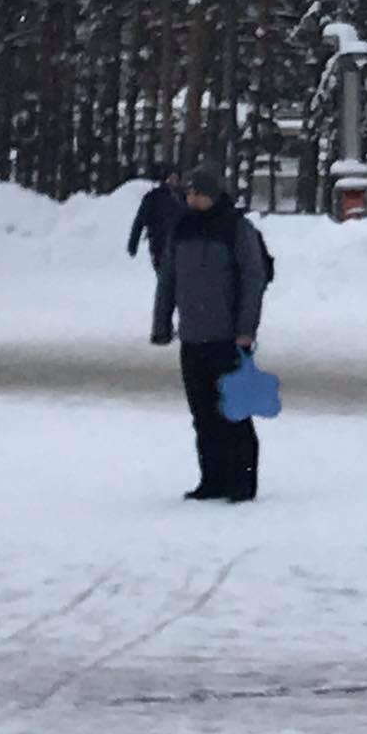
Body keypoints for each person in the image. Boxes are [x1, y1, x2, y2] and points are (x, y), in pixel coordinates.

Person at [152, 164, 269, 502]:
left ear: (213, 195)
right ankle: (212, 479)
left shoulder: (236, 229)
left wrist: (245, 330)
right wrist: (162, 324)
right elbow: (167, 280)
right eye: (189, 193)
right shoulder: (182, 229)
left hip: (227, 337)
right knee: (202, 414)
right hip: (192, 337)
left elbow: (252, 279)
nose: (192, 198)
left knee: (233, 412)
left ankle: (242, 483)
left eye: (198, 193)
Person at [127, 162, 186, 273]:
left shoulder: (183, 197)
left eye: (176, 178)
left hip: (180, 244)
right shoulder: (153, 197)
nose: (174, 181)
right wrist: (133, 243)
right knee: (164, 275)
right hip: (159, 243)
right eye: (171, 177)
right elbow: (139, 221)